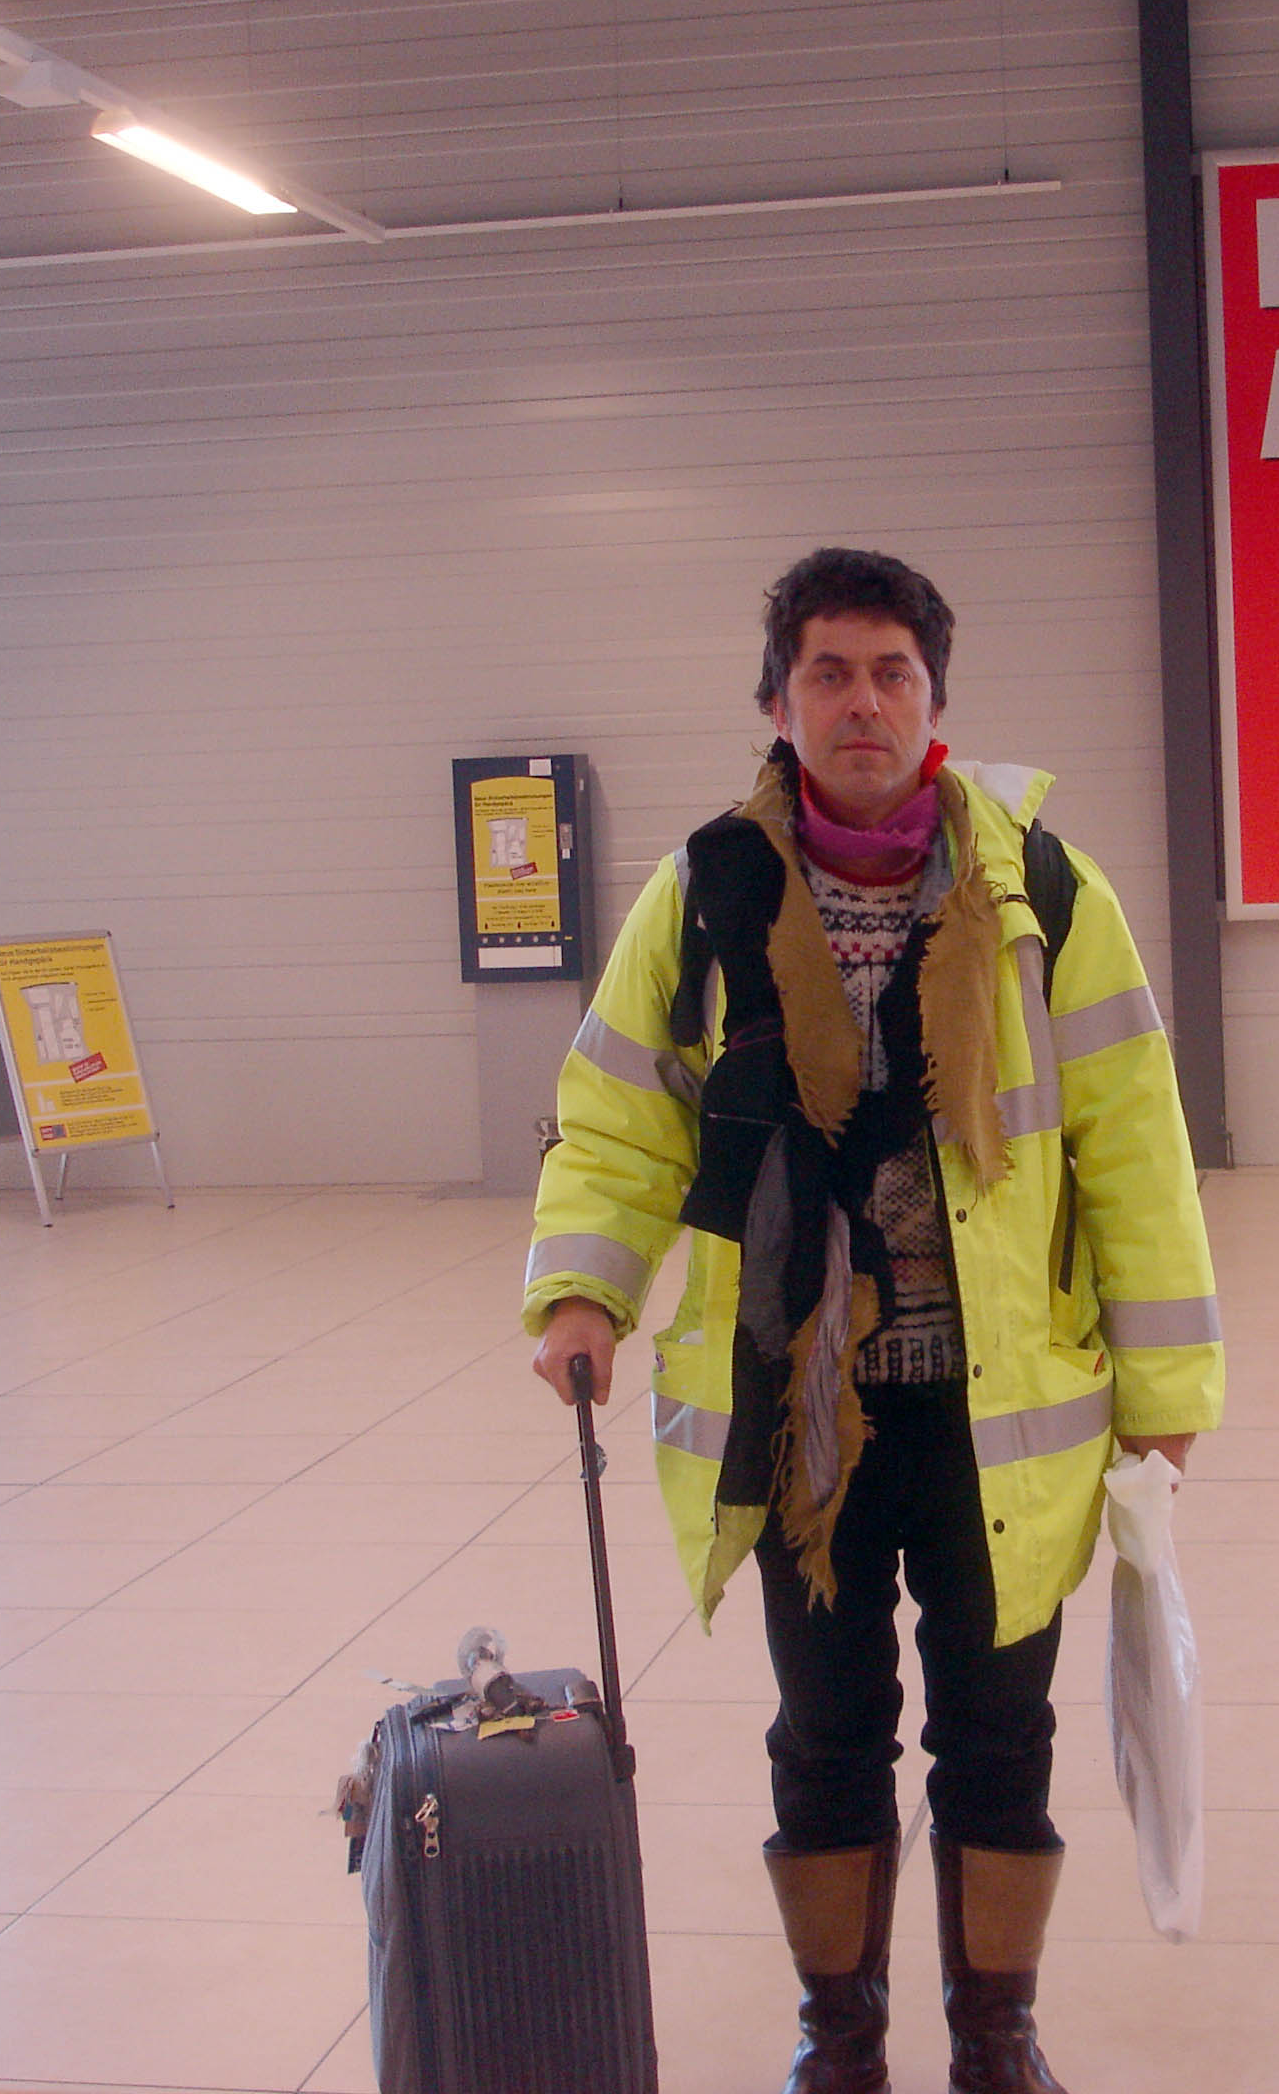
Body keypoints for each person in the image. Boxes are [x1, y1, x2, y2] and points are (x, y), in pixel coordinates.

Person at [524, 548, 1224, 2094]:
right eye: (829, 673)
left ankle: (997, 2033)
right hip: (802, 1411)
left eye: (890, 673)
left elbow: (1133, 1146)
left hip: (1000, 1415)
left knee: (1000, 1739)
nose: (861, 703)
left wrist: (1168, 1389)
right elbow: (622, 1114)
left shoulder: (1044, 893)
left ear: (933, 701)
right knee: (825, 1737)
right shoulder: (705, 894)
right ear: (779, 704)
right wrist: (584, 1287)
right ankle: (838, 2038)